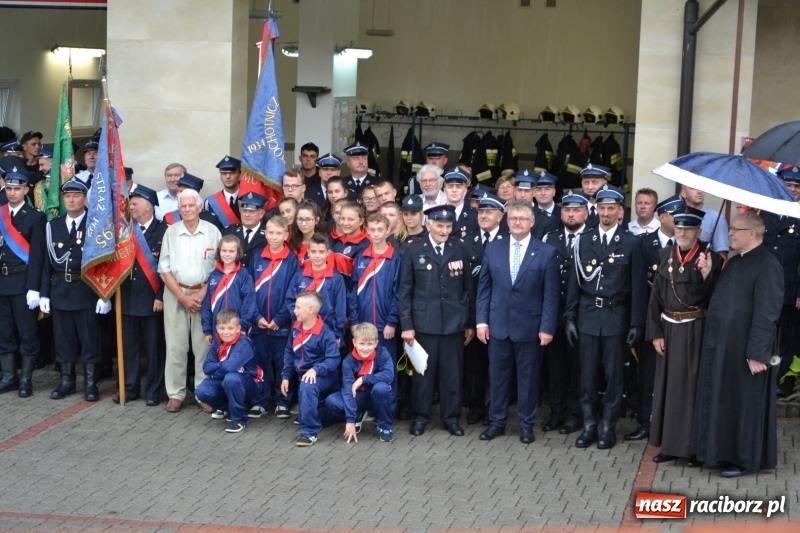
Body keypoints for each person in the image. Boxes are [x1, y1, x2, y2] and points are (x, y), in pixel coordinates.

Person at [691, 211, 783, 477]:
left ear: (751, 234)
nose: (729, 233)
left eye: (734, 230)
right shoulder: (733, 261)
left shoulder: (768, 265)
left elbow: (768, 313)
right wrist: (709, 273)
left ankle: (744, 460)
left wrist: (758, 353)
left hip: (746, 349)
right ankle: (718, 453)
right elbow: (718, 297)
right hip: (723, 346)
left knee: (744, 404)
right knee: (724, 400)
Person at [563, 184, 647, 449]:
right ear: (595, 209)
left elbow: (637, 287)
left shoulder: (632, 243)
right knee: (586, 374)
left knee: (614, 376)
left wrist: (636, 323)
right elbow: (576, 283)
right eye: (602, 208)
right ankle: (589, 427)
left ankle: (608, 428)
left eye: (611, 208)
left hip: (616, 316)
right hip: (588, 315)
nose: (606, 213)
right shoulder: (584, 240)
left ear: (620, 211)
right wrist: (569, 317)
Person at [476, 200, 560, 443]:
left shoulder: (546, 252)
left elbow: (550, 296)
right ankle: (497, 422)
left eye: (523, 218)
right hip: (498, 325)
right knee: (498, 378)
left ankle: (526, 424)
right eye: (513, 218)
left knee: (528, 379)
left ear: (532, 222)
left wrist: (546, 328)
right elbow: (484, 288)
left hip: (530, 328)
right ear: (506, 220)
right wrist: (482, 321)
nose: (517, 222)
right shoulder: (494, 248)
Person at [646, 205, 722, 466]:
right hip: (667, 329)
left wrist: (707, 275)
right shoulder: (665, 254)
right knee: (666, 389)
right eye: (679, 227)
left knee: (690, 390)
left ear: (698, 231)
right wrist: (655, 332)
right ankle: (669, 444)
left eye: (688, 229)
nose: (682, 232)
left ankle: (691, 449)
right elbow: (655, 297)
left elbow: (713, 300)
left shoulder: (710, 258)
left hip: (694, 330)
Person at [399, 204, 474, 437]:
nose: (444, 230)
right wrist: (407, 325)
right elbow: (405, 291)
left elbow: (467, 289)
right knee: (423, 374)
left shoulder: (459, 248)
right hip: (424, 323)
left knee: (452, 374)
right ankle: (421, 417)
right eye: (440, 225)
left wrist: (469, 322)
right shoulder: (413, 249)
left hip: (453, 323)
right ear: (428, 224)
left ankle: (451, 418)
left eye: (448, 226)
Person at [41, 179, 113, 401]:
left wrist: (105, 294)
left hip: (87, 289)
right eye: (67, 196)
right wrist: (43, 293)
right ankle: (67, 382)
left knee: (89, 338)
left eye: (76, 196)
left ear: (85, 198)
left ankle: (90, 384)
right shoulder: (53, 226)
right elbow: (45, 263)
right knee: (64, 339)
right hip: (60, 289)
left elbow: (106, 262)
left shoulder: (95, 224)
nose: (71, 200)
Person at [158, 188, 222, 413]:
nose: (187, 209)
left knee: (203, 346)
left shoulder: (213, 232)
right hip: (176, 294)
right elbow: (164, 269)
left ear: (199, 207)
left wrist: (202, 294)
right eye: (183, 206)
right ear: (178, 209)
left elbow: (219, 267)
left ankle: (203, 393)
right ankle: (175, 394)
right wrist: (183, 298)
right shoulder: (171, 233)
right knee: (176, 347)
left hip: (205, 295)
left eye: (191, 205)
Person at [625, 194, 683, 441]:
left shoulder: (688, 244)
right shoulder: (642, 244)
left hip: (679, 319)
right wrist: (638, 323)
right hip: (652, 319)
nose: (681, 221)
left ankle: (673, 423)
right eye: (676, 216)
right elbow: (637, 286)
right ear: (663, 218)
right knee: (647, 372)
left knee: (677, 371)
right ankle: (646, 421)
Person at [541, 190, 591, 434]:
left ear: (586, 212)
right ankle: (556, 413)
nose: (571, 214)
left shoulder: (592, 239)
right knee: (555, 369)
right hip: (554, 315)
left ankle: (575, 415)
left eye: (576, 210)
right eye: (567, 210)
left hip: (583, 316)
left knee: (578, 370)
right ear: (561, 213)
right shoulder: (549, 239)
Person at [117, 184, 168, 405]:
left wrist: (161, 295)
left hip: (151, 300)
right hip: (127, 298)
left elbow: (168, 267)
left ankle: (153, 392)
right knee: (130, 348)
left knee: (154, 349)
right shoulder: (125, 230)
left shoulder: (164, 231)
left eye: (135, 203)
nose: (131, 208)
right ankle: (130, 388)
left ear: (148, 206)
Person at [248, 215, 300, 419]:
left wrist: (280, 318)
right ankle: (259, 401)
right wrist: (256, 316)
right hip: (259, 323)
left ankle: (283, 401)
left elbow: (294, 294)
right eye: (271, 232)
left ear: (286, 234)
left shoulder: (292, 260)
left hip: (282, 325)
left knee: (283, 364)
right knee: (260, 363)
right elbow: (250, 291)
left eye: (279, 233)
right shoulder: (256, 257)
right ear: (265, 233)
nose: (275, 237)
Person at [0, 168, 45, 397]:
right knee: (4, 332)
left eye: (17, 189)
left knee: (27, 333)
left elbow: (37, 256)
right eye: (9, 188)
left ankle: (26, 379)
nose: (12, 193)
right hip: (2, 281)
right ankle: (9, 377)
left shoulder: (36, 217)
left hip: (22, 282)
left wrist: (34, 288)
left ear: (26, 190)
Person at [463, 193, 507, 425]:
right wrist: (470, 320)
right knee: (475, 365)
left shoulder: (508, 241)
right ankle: (476, 407)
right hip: (475, 314)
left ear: (500, 216)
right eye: (480, 212)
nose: (483, 216)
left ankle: (496, 410)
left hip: (500, 313)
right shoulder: (467, 241)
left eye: (489, 212)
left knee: (499, 367)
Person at [280, 291, 341, 447]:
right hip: (302, 376)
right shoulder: (295, 328)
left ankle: (309, 432)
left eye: (298, 307)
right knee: (309, 411)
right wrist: (286, 376)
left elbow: (334, 359)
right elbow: (288, 351)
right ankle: (329, 417)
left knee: (307, 386)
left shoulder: (325, 333)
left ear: (311, 309)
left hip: (324, 377)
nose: (294, 311)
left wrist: (316, 369)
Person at [760, 165, 800, 397]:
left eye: (797, 186)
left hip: (790, 288)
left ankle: (783, 379)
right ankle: (763, 374)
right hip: (765, 286)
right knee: (765, 331)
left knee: (786, 337)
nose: (793, 190)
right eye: (789, 185)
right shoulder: (766, 212)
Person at [322, 322, 396, 443]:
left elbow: (389, 375)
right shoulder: (348, 361)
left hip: (374, 396)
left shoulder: (382, 353)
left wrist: (363, 379)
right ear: (354, 342)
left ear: (376, 343)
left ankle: (385, 427)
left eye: (370, 344)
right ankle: (357, 416)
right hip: (357, 397)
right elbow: (347, 390)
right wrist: (350, 420)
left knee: (381, 388)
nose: (365, 348)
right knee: (332, 401)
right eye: (362, 343)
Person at [276, 233, 349, 353]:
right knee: (302, 365)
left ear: (328, 253)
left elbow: (340, 309)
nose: (317, 256)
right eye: (314, 252)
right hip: (302, 331)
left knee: (327, 367)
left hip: (328, 332)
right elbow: (290, 299)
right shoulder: (299, 275)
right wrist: (299, 317)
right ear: (308, 252)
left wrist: (337, 334)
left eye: (321, 252)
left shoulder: (336, 278)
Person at [195, 309, 263, 433]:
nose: (226, 332)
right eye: (222, 328)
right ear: (216, 328)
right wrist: (222, 364)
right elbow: (206, 367)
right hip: (227, 379)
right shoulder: (217, 342)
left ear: (238, 328)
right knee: (202, 391)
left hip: (250, 383)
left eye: (230, 328)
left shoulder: (243, 342)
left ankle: (238, 419)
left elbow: (229, 368)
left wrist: (217, 368)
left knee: (231, 378)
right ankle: (226, 408)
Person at [352, 213, 400, 359]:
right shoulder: (361, 257)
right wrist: (354, 321)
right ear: (367, 231)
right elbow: (353, 291)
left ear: (388, 230)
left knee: (386, 366)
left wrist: (391, 322)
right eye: (372, 230)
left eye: (380, 229)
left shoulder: (396, 258)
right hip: (363, 324)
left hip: (385, 326)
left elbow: (398, 293)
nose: (376, 234)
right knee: (363, 368)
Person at [200, 235, 256, 348]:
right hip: (218, 330)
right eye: (224, 250)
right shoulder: (214, 275)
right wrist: (208, 330)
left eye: (231, 251)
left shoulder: (244, 275)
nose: (227, 254)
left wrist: (243, 326)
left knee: (236, 362)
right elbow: (207, 305)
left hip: (237, 330)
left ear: (238, 253)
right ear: (219, 252)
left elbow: (249, 303)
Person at [221, 192, 268, 269]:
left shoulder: (269, 235)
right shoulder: (228, 232)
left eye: (252, 211)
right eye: (244, 210)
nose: (247, 214)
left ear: (261, 213)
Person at [680, 186, 729, 259]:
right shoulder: (678, 216)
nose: (699, 191)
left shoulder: (717, 219)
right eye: (693, 188)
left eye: (701, 187)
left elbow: (722, 257)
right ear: (684, 193)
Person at [330, 201, 369, 278]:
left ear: (361, 221)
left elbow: (360, 278)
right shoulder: (337, 240)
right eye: (342, 218)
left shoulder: (366, 245)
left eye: (350, 219)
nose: (345, 223)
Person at [203, 155, 241, 228]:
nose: (227, 177)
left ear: (239, 176)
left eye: (232, 173)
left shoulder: (245, 199)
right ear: (220, 176)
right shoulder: (210, 202)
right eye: (224, 173)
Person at [443, 168, 479, 239]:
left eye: (459, 187)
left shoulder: (475, 216)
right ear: (444, 190)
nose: (454, 190)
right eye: (450, 187)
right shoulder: (436, 213)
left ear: (465, 190)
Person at [291, 200, 326, 266]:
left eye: (308, 220)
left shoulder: (323, 243)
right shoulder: (293, 242)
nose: (303, 224)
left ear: (316, 220)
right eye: (300, 219)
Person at [531, 170, 561, 239]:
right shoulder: (529, 214)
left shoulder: (563, 213)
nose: (543, 193)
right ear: (534, 193)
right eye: (539, 189)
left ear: (554, 192)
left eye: (547, 189)